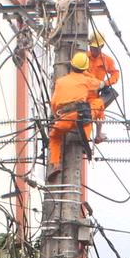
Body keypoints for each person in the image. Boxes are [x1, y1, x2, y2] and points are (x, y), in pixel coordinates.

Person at [46, 52, 102, 182]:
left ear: (72, 66)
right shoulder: (86, 80)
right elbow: (101, 84)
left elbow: (54, 102)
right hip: (81, 115)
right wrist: (88, 74)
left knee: (54, 137)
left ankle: (55, 164)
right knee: (98, 104)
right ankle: (91, 137)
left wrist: (56, 117)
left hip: (64, 116)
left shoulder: (60, 81)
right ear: (85, 68)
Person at [86, 32, 119, 144]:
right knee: (84, 113)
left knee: (99, 111)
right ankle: (85, 136)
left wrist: (105, 83)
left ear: (102, 46)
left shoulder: (107, 60)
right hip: (83, 91)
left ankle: (98, 134)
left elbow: (115, 74)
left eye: (97, 48)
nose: (94, 50)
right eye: (93, 47)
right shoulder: (84, 57)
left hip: (95, 92)